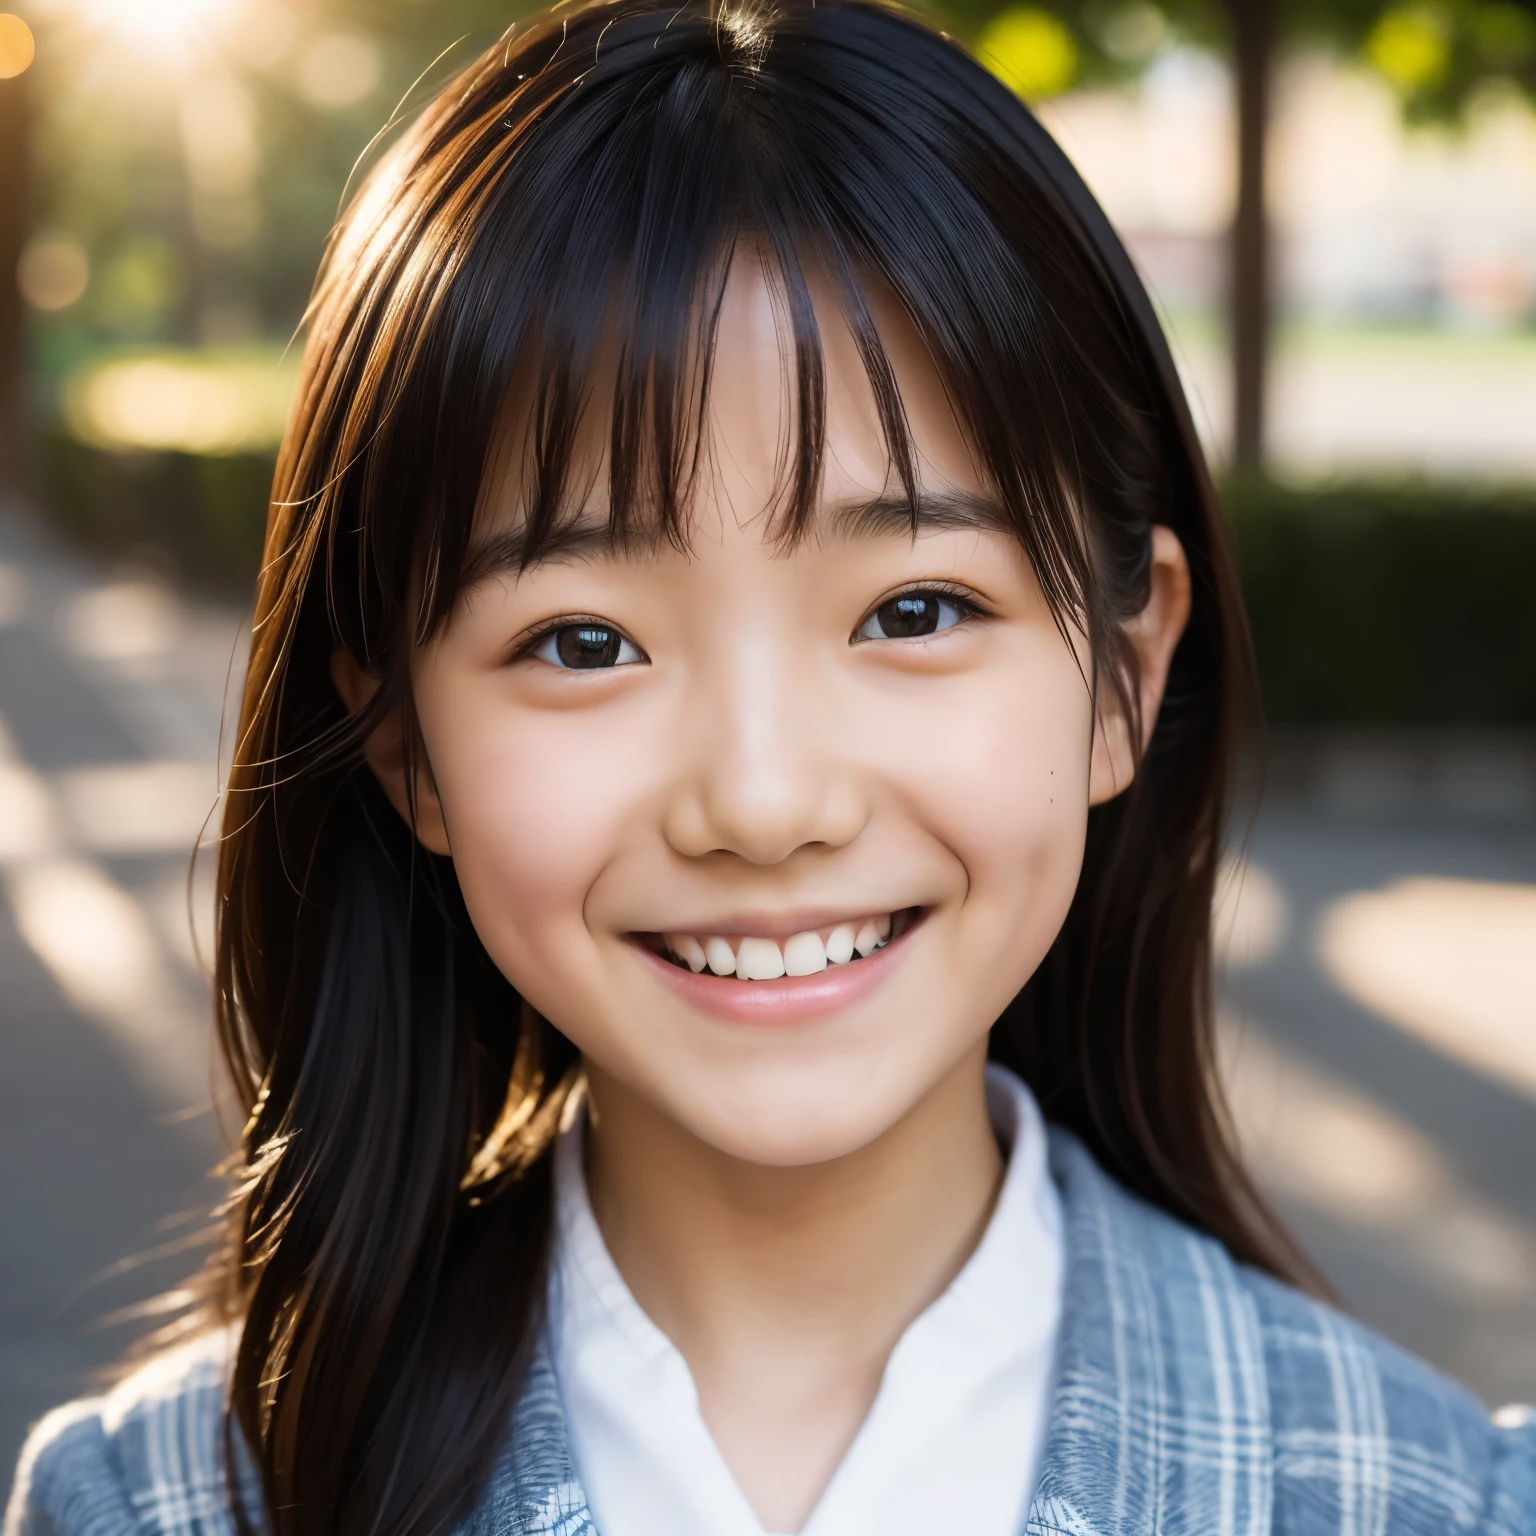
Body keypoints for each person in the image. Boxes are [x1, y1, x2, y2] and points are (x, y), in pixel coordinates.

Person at [8, 1, 1535, 1532]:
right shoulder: (153, 1505)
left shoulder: (1436, 1500)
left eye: (916, 609)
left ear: (1123, 680)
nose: (763, 800)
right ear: (405, 745)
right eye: (586, 641)